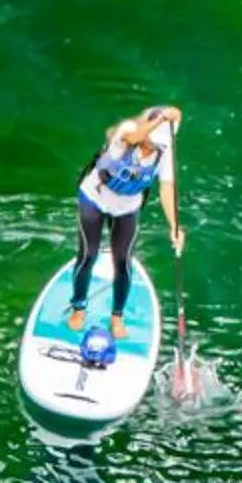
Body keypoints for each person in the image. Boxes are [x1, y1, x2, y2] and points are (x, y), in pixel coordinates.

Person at [69, 102, 183, 339]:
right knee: (88, 255)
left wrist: (174, 227)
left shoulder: (164, 153)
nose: (155, 147)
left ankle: (117, 316)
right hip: (94, 198)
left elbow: (167, 188)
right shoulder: (128, 131)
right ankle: (79, 307)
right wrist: (161, 119)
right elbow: (134, 138)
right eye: (154, 140)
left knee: (123, 262)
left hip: (127, 208)